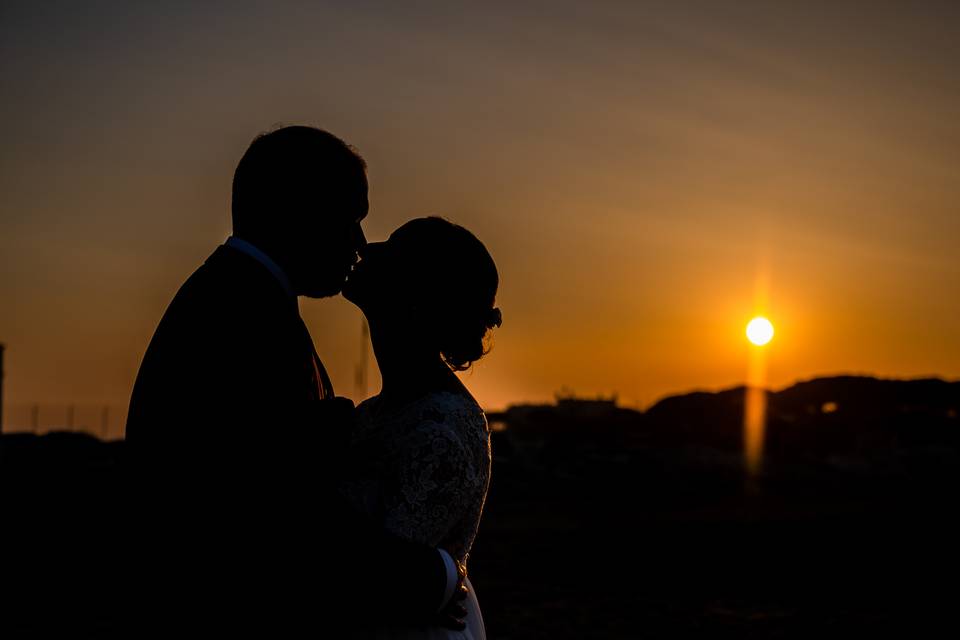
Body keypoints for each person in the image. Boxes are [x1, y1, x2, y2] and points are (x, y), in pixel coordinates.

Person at [124, 127, 465, 633]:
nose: (357, 243)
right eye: (349, 220)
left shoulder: (244, 301)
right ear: (296, 210)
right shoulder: (241, 318)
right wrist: (430, 577)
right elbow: (277, 517)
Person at [340, 217, 502, 638]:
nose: (365, 246)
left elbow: (384, 582)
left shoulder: (439, 431)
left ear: (416, 299)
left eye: (392, 250)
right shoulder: (380, 411)